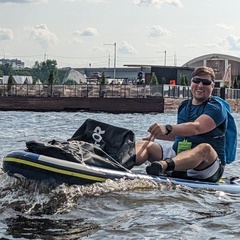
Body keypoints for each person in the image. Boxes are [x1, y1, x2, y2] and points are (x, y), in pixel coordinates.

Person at [135, 66, 228, 182]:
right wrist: (155, 134)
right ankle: (121, 163)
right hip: (179, 157)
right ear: (191, 83)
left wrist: (167, 128)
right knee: (145, 144)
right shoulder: (184, 105)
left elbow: (196, 128)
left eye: (206, 82)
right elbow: (180, 134)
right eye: (196, 81)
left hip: (207, 167)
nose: (200, 85)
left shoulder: (217, 108)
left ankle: (162, 166)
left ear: (212, 86)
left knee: (205, 148)